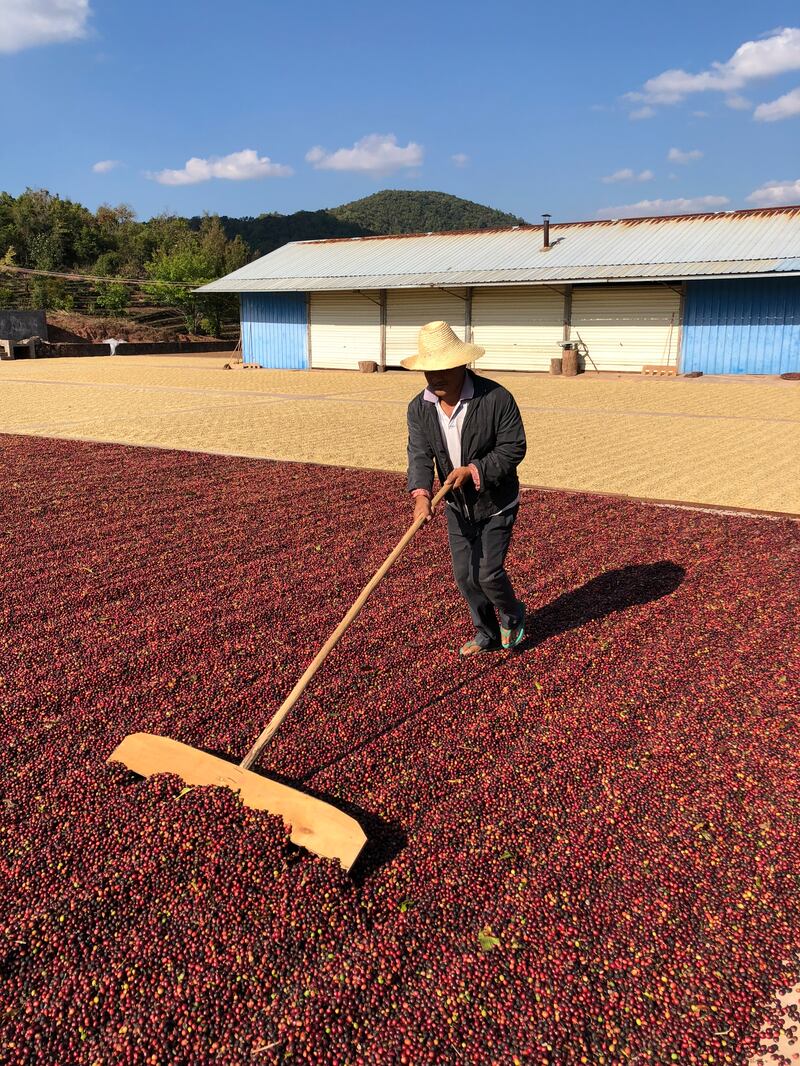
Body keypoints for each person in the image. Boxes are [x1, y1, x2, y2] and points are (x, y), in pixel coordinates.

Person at [403, 320, 527, 657]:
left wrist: (474, 470)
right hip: (457, 505)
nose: (435, 377)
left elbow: (513, 448)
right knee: (465, 577)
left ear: (462, 363)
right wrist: (421, 495)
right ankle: (486, 633)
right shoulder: (419, 407)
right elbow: (419, 454)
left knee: (487, 572)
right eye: (429, 370)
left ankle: (513, 614)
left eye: (443, 368)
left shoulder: (496, 398)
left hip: (495, 501)